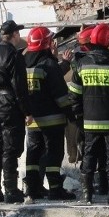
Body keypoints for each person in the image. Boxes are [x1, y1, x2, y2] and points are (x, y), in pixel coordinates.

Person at [69, 23, 109, 204]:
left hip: (90, 121)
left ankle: (87, 195)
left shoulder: (81, 64)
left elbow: (74, 95)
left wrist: (80, 117)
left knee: (89, 155)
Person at [23, 26, 76, 201]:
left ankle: (32, 189)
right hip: (52, 120)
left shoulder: (22, 63)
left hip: (31, 120)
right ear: (47, 43)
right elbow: (60, 93)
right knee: (53, 154)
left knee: (33, 155)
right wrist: (71, 115)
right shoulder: (48, 64)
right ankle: (55, 189)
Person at [0, 20, 32, 204]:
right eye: (18, 33)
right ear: (14, 35)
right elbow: (19, 87)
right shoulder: (14, 55)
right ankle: (11, 190)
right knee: (10, 149)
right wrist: (27, 111)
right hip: (10, 105)